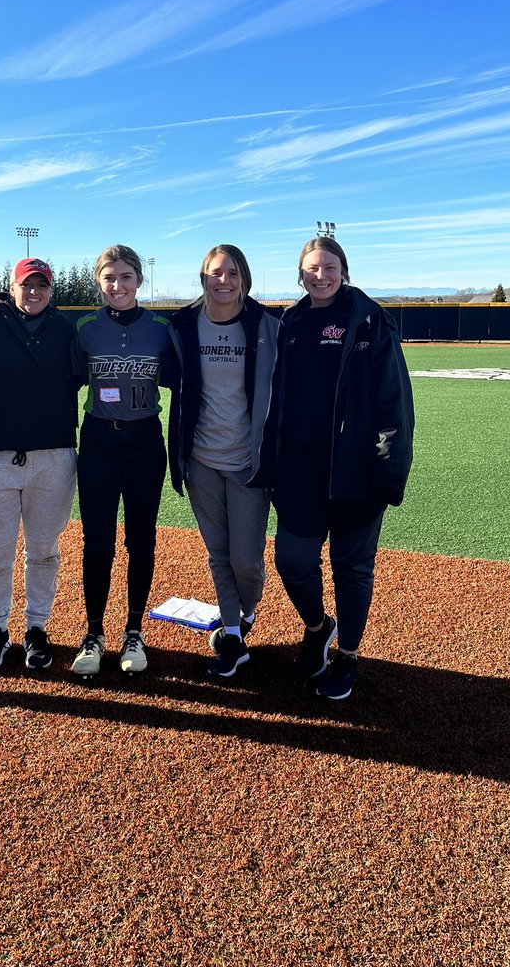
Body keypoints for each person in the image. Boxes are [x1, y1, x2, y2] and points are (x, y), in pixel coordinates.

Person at [262, 235, 414, 701]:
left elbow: (394, 403)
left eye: (329, 267)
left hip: (356, 473)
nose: (321, 276)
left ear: (343, 270)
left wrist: (389, 471)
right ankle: (317, 626)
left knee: (352, 568)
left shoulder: (370, 320)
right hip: (300, 471)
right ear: (300, 273)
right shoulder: (290, 321)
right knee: (291, 559)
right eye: (312, 268)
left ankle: (346, 656)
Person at [168, 245, 279, 677]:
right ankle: (232, 634)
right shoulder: (181, 325)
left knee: (247, 561)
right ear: (203, 278)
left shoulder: (268, 324)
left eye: (232, 273)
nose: (224, 281)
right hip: (201, 461)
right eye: (216, 273)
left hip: (250, 464)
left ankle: (246, 609)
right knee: (218, 554)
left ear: (244, 278)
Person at [0, 258, 79, 672]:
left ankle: (36, 628)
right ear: (12, 287)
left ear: (51, 290)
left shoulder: (67, 330)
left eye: (42, 285)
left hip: (54, 457)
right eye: (27, 285)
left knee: (43, 550)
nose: (34, 292)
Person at [71, 245, 175, 676]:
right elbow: (64, 384)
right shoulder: (83, 327)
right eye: (110, 277)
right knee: (97, 541)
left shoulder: (163, 328)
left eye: (126, 277)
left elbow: (185, 385)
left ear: (139, 280)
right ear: (100, 281)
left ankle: (134, 630)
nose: (118, 285)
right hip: (97, 439)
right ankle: (94, 632)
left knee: (141, 539)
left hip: (145, 440)